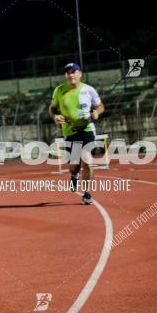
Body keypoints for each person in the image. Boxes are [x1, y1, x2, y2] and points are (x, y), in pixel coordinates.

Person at [49, 62, 105, 205]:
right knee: (75, 164)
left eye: (74, 72)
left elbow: (100, 106)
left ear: (80, 74)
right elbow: (52, 108)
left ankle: (86, 193)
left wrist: (96, 112)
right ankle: (74, 174)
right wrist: (55, 116)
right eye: (68, 72)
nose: (71, 75)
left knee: (87, 161)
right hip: (69, 132)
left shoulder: (88, 90)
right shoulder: (59, 91)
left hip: (87, 130)